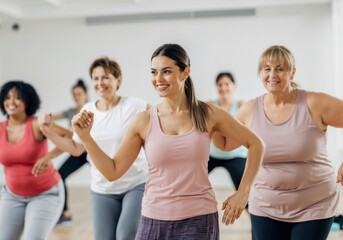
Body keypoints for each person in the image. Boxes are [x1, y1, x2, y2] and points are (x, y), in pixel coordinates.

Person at [64, 44, 265, 239]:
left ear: (185, 72)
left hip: (199, 218)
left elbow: (256, 144)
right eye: (154, 72)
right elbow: (113, 171)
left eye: (166, 71)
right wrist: (86, 138)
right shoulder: (143, 121)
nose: (158, 79)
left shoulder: (207, 113)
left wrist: (244, 192)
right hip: (154, 219)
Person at [217, 45, 343, 240]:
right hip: (265, 207)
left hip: (315, 205)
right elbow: (225, 144)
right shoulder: (250, 110)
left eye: (280, 68)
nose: (272, 74)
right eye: (266, 69)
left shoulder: (314, 102)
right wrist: (206, 118)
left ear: (292, 72)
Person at [38, 57, 149, 240]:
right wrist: (46, 130)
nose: (100, 83)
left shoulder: (135, 106)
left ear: (118, 79)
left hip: (135, 184)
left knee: (125, 235)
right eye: (96, 78)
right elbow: (75, 149)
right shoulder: (87, 110)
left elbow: (164, 119)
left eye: (105, 77)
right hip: (102, 190)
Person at [0, 80, 71, 240]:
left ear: (27, 101)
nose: (11, 102)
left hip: (45, 194)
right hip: (12, 195)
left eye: (18, 97)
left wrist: (49, 156)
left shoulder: (37, 124)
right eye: (7, 97)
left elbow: (70, 137)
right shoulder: (0, 129)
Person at [52, 79, 89, 226]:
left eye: (79, 93)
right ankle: (65, 213)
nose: (76, 96)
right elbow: (52, 118)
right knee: (59, 175)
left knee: (111, 178)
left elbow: (72, 132)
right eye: (74, 94)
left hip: (93, 153)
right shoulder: (70, 112)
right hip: (78, 153)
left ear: (86, 94)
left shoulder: (93, 109)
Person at [208, 72, 248, 198]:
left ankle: (252, 215)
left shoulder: (242, 105)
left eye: (227, 84)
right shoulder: (209, 105)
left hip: (236, 155)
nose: (223, 87)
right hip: (212, 155)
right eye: (220, 84)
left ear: (234, 86)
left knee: (246, 197)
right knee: (192, 183)